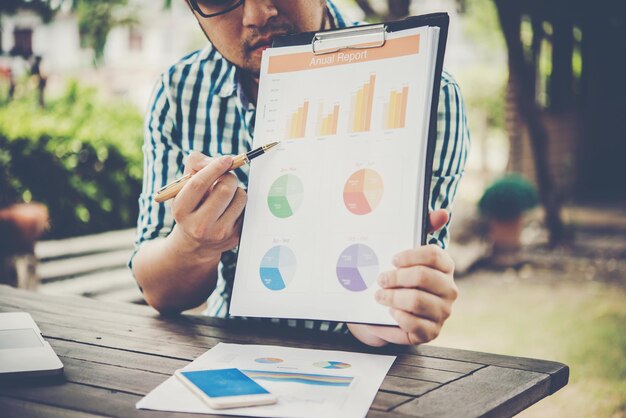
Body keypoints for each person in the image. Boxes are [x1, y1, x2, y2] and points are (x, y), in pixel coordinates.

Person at [131, 0, 470, 347]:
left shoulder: (425, 87)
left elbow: (393, 302)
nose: (256, 15)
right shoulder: (180, 91)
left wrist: (397, 310)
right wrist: (193, 245)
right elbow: (158, 290)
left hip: (369, 370)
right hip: (229, 352)